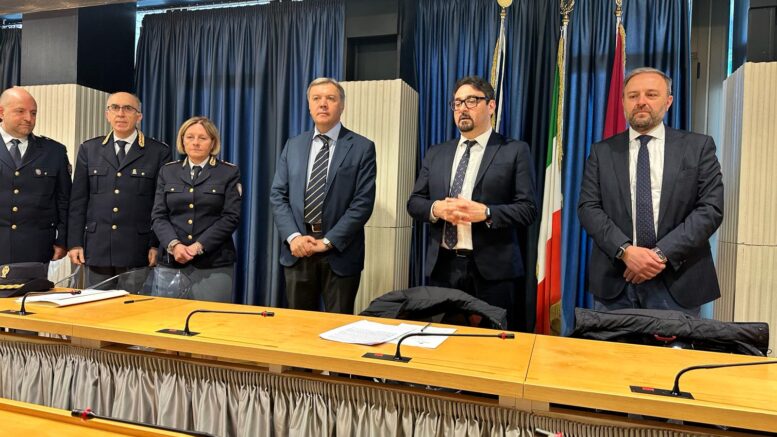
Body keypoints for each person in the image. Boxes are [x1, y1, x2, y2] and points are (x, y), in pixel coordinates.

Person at [578, 67, 724, 317]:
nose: (641, 102)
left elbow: (710, 209)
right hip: (617, 281)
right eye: (633, 96)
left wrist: (658, 255)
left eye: (651, 94)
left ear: (668, 101)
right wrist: (626, 251)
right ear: (623, 102)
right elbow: (588, 208)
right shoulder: (602, 152)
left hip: (678, 281)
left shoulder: (698, 147)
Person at [407, 76, 537, 329]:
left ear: (491, 106)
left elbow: (528, 209)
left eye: (471, 101)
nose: (462, 108)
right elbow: (414, 203)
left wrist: (487, 212)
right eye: (457, 103)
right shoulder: (436, 153)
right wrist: (436, 209)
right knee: (441, 340)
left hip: (492, 272)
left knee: (490, 343)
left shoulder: (514, 150)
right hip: (443, 267)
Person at [270, 77, 376, 314]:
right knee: (298, 326)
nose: (323, 104)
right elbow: (278, 195)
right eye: (316, 98)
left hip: (340, 252)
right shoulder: (293, 145)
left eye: (330, 98)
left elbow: (362, 203)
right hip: (298, 250)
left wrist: (328, 242)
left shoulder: (362, 147)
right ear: (309, 105)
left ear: (342, 105)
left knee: (338, 327)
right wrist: (294, 237)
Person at [68, 92, 171, 290]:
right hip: (97, 247)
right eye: (114, 108)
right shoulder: (90, 149)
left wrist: (155, 244)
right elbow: (78, 201)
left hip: (137, 248)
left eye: (128, 109)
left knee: (133, 306)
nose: (121, 114)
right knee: (96, 306)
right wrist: (75, 243)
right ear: (107, 114)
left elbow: (161, 204)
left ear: (139, 116)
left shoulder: (157, 152)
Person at [151, 116, 241, 302]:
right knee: (167, 317)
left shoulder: (228, 172)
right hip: (171, 261)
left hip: (213, 263)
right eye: (190, 137)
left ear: (213, 142)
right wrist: (175, 245)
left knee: (209, 317)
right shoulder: (168, 171)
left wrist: (198, 246)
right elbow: (159, 216)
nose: (196, 142)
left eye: (202, 138)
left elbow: (230, 217)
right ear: (182, 141)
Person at [0, 87, 71, 265]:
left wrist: (62, 240)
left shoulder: (54, 151)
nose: (28, 118)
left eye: (33, 113)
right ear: (1, 112)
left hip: (36, 247)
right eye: (20, 111)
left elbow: (64, 200)